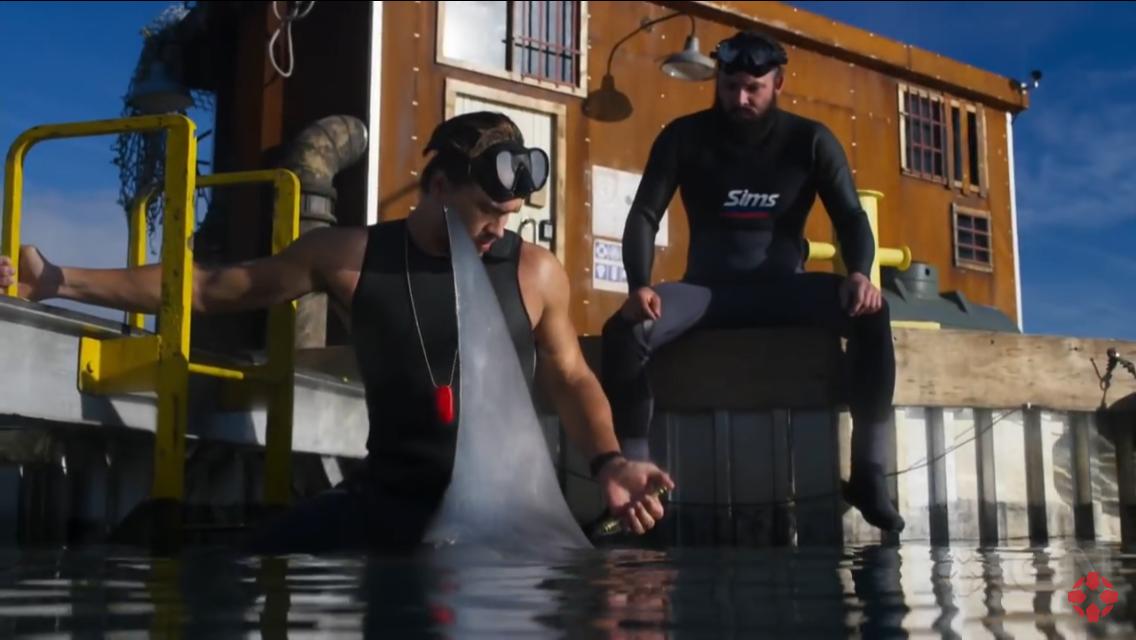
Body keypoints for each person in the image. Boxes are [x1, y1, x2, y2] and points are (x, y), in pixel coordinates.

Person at [0, 111, 676, 552]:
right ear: (438, 187)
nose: (500, 228)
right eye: (485, 211)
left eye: (511, 214)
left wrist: (610, 463)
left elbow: (571, 376)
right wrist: (57, 280)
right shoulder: (352, 258)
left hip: (507, 516)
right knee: (229, 567)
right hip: (387, 503)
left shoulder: (534, 271)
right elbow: (213, 287)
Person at [599, 30, 904, 532]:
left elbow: (851, 216)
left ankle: (869, 474)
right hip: (707, 293)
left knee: (874, 313)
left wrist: (858, 274)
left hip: (784, 289)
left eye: (753, 88)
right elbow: (646, 214)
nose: (739, 99)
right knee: (624, 330)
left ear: (778, 83)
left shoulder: (809, 140)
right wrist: (639, 285)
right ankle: (635, 479)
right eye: (729, 86)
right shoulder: (684, 137)